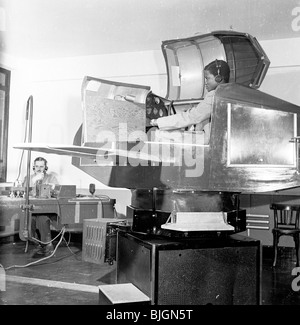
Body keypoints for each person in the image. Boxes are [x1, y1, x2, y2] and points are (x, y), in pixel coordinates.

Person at [150, 59, 230, 143]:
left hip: (212, 141)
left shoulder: (214, 95)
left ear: (218, 78)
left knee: (162, 135)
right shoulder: (226, 92)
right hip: (217, 138)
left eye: (207, 78)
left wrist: (156, 122)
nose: (205, 83)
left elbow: (192, 117)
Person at [23, 156, 59, 258]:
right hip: (33, 209)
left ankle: (47, 245)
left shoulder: (51, 178)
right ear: (33, 167)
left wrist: (50, 188)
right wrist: (33, 181)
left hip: (47, 210)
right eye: (37, 166)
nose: (39, 169)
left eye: (41, 166)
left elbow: (57, 192)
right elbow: (24, 193)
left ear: (45, 167)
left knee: (42, 219)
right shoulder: (28, 178)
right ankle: (37, 244)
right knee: (30, 220)